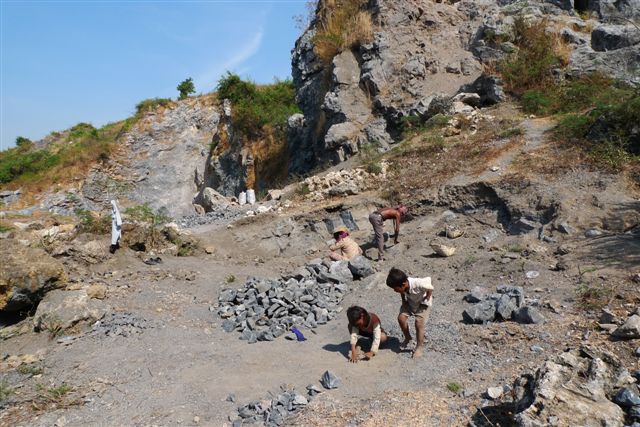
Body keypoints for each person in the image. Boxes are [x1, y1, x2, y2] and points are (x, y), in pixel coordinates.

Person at [386, 267, 433, 359]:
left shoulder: (418, 283)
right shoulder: (403, 286)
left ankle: (419, 347)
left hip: (422, 303)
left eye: (396, 289)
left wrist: (428, 296)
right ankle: (408, 338)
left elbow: (430, 287)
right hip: (410, 302)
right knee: (401, 318)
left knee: (418, 323)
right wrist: (403, 300)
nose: (395, 291)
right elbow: (402, 292)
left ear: (403, 284)